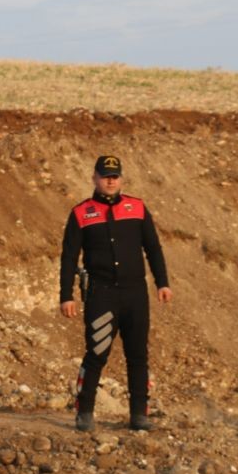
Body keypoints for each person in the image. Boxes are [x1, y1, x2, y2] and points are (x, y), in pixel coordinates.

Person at [59, 155, 172, 432]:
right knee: (96, 353)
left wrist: (162, 282)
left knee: (137, 356)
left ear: (121, 178)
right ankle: (84, 412)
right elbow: (69, 257)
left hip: (135, 294)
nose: (111, 180)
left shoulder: (137, 207)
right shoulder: (80, 213)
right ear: (94, 177)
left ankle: (139, 414)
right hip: (102, 294)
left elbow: (153, 248)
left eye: (115, 175)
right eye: (105, 175)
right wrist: (66, 295)